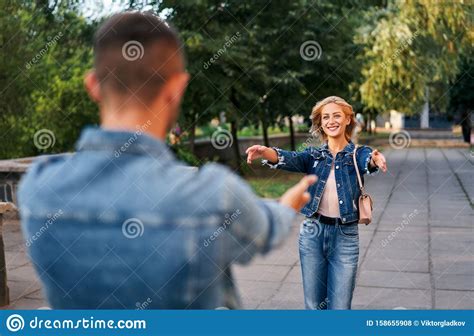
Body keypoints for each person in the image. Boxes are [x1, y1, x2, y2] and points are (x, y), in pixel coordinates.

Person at [18, 11, 316, 309]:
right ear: (176, 88)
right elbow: (265, 232)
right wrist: (288, 205)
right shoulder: (211, 195)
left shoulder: (38, 187)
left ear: (93, 85)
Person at [246, 96, 387, 310]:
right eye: (326, 117)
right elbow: (289, 158)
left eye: (337, 115)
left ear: (348, 119)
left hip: (345, 236)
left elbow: (367, 159)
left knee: (340, 307)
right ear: (321, 123)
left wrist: (375, 159)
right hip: (312, 233)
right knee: (314, 306)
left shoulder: (357, 154)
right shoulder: (313, 156)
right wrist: (264, 151)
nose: (331, 121)